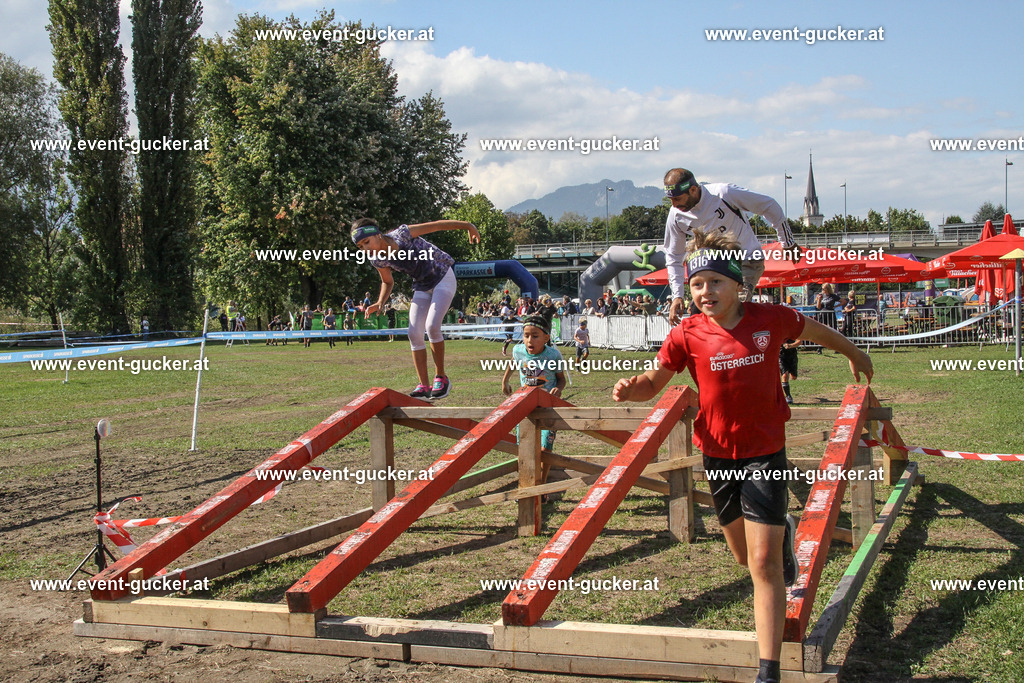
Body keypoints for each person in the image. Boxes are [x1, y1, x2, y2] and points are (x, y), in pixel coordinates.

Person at [612, 229, 872, 683]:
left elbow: (820, 332)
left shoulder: (770, 319)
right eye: (697, 284)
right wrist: (635, 387)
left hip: (764, 454)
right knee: (740, 555)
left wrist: (855, 354)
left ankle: (768, 671)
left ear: (738, 285)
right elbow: (655, 380)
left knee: (763, 566)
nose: (705, 292)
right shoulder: (686, 333)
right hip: (716, 455)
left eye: (715, 282)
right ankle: (786, 532)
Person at [353, 217, 480, 399]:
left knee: (432, 326)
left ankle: (442, 378)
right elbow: (387, 281)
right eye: (360, 247)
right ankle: (424, 385)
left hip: (442, 275)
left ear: (378, 235)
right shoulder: (376, 259)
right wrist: (380, 302)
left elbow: (436, 225)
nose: (366, 249)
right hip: (422, 285)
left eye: (367, 242)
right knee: (413, 332)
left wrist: (468, 225)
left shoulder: (402, 234)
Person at [663, 167, 801, 325]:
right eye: (671, 200)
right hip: (714, 265)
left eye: (678, 199)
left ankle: (761, 340)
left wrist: (788, 242)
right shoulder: (675, 215)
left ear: (693, 190)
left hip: (746, 259)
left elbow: (769, 205)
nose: (674, 204)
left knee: (734, 308)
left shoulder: (724, 193)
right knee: (698, 313)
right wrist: (677, 296)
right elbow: (674, 257)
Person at [501, 314, 566, 452]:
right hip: (525, 406)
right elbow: (513, 362)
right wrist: (505, 381)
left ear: (546, 338)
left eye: (535, 336)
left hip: (548, 407)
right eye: (526, 335)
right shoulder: (518, 350)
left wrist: (557, 389)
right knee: (525, 449)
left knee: (545, 449)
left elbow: (561, 379)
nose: (530, 340)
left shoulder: (553, 356)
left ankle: (544, 474)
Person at [779, 338, 801, 404]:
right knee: (785, 375)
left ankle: (793, 373)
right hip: (781, 356)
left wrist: (790, 345)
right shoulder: (778, 331)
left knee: (794, 377)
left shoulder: (793, 331)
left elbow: (800, 341)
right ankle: (788, 396)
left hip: (792, 356)